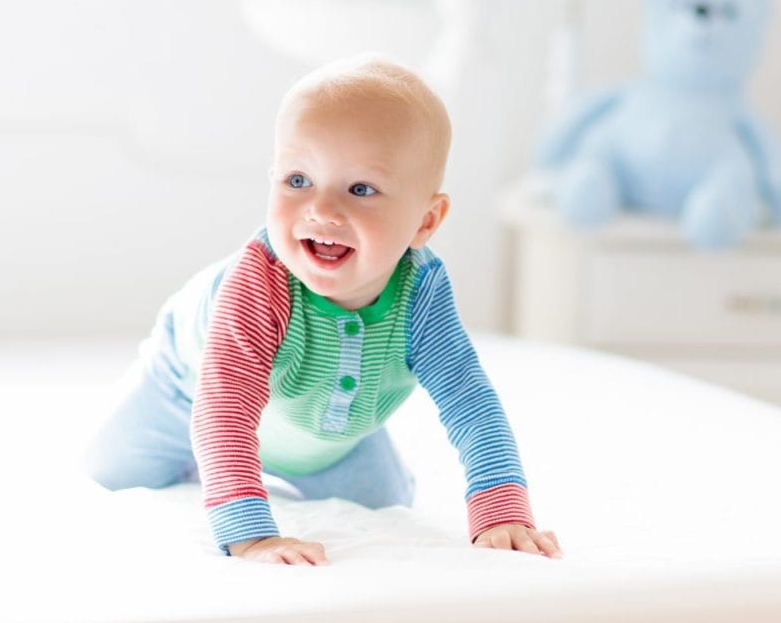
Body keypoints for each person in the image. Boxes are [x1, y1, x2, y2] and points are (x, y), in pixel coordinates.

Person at [84, 54, 560, 565]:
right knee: (110, 470)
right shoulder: (259, 284)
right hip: (186, 395)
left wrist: (502, 512)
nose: (322, 209)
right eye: (297, 180)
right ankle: (214, 467)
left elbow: (470, 402)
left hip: (334, 437)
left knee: (389, 507)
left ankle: (262, 463)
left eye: (361, 189)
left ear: (425, 220)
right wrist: (252, 535)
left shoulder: (420, 292)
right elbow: (225, 408)